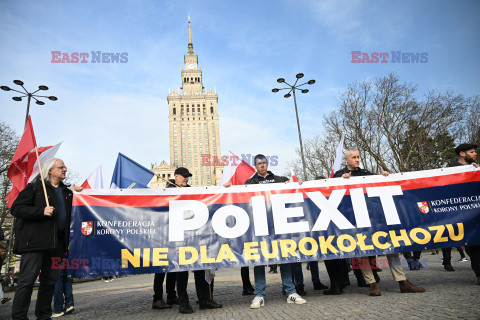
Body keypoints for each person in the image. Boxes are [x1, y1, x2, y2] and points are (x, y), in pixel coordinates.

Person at [335, 149, 425, 296]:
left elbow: (378, 186)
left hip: (375, 218)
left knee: (392, 246)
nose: (357, 159)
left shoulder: (366, 173)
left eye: (358, 157)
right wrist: (341, 180)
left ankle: (402, 282)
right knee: (363, 252)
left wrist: (383, 177)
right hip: (356, 220)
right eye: (354, 157)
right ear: (346, 160)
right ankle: (372, 285)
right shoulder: (339, 175)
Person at [10, 158, 82, 320]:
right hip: (34, 243)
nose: (65, 169)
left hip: (56, 244)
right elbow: (16, 208)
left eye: (65, 166)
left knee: (49, 283)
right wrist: (40, 211)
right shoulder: (35, 187)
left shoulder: (67, 192)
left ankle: (43, 316)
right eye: (61, 167)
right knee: (27, 282)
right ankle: (19, 317)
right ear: (50, 170)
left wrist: (78, 194)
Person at [245, 154, 306, 308]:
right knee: (259, 259)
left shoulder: (279, 179)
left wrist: (298, 184)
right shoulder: (249, 183)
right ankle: (259, 295)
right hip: (260, 225)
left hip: (279, 225)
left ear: (267, 164)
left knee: (284, 256)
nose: (262, 165)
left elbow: (293, 189)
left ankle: (290, 292)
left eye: (264, 162)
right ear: (255, 166)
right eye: (259, 163)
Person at [170, 167, 222, 314]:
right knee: (182, 273)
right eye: (184, 176)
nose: (186, 179)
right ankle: (184, 303)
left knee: (200, 269)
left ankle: (204, 299)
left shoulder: (191, 191)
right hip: (179, 239)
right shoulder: (167, 190)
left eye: (188, 177)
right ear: (176, 177)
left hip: (194, 238)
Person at [447, 143, 479, 284]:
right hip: (463, 217)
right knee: (474, 246)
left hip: (476, 212)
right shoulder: (449, 170)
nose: (475, 154)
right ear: (462, 153)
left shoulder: (474, 168)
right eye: (472, 152)